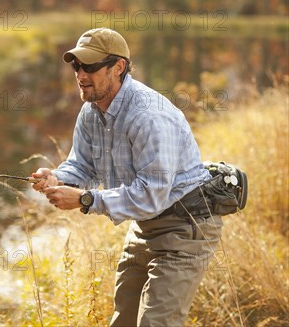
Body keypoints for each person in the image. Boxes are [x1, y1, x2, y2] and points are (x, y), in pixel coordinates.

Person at [32, 27, 222, 327]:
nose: (81, 74)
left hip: (186, 227)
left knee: (155, 322)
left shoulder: (148, 115)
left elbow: (151, 194)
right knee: (123, 320)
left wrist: (84, 199)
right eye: (77, 66)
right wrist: (56, 178)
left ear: (118, 67)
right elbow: (83, 166)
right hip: (145, 224)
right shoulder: (90, 111)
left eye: (91, 66)